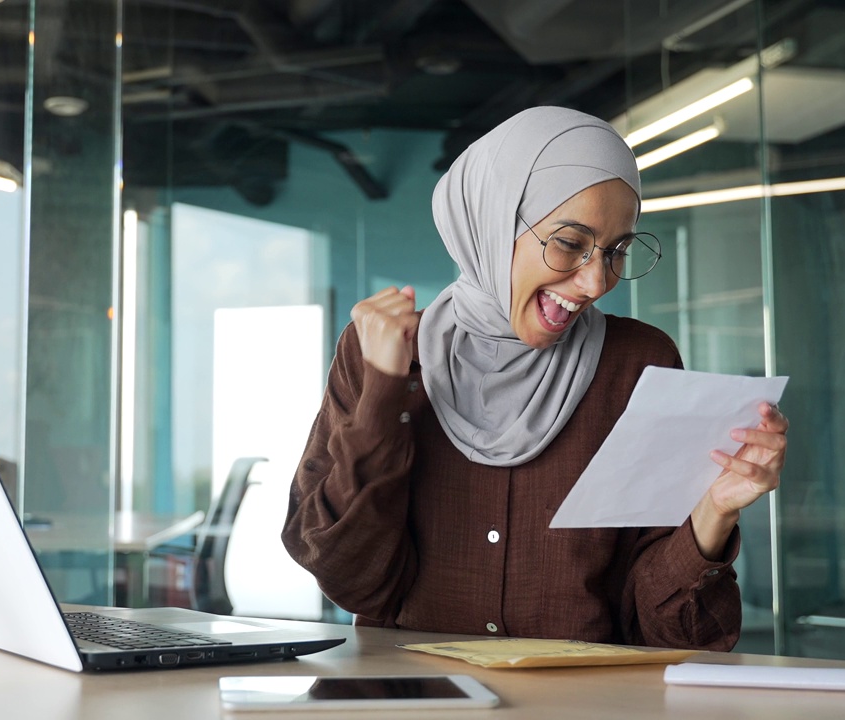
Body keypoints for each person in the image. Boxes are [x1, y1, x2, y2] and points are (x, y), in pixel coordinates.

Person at [281, 106, 788, 651]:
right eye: (570, 242)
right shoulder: (382, 353)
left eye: (617, 251)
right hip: (419, 700)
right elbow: (349, 579)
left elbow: (671, 632)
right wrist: (385, 388)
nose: (596, 281)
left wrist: (715, 510)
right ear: (493, 225)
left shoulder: (638, 363)